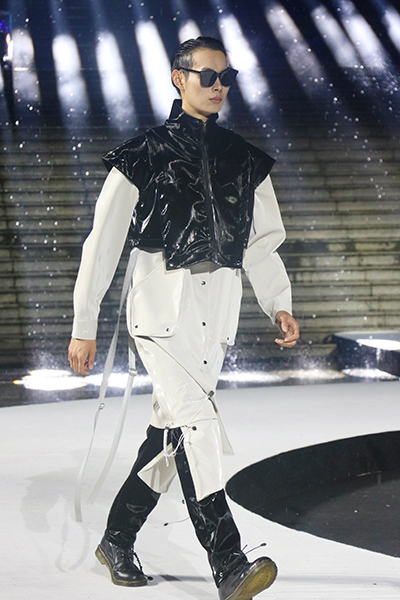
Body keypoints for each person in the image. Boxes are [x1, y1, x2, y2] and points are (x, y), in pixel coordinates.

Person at [68, 36, 299, 600]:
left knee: (173, 434)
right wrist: (83, 323)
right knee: (197, 424)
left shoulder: (245, 159)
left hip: (216, 313)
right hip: (160, 308)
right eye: (207, 77)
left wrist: (278, 302)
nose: (218, 87)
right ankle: (230, 563)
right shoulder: (143, 153)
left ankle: (117, 539)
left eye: (226, 78)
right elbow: (103, 243)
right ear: (179, 78)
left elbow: (263, 244)